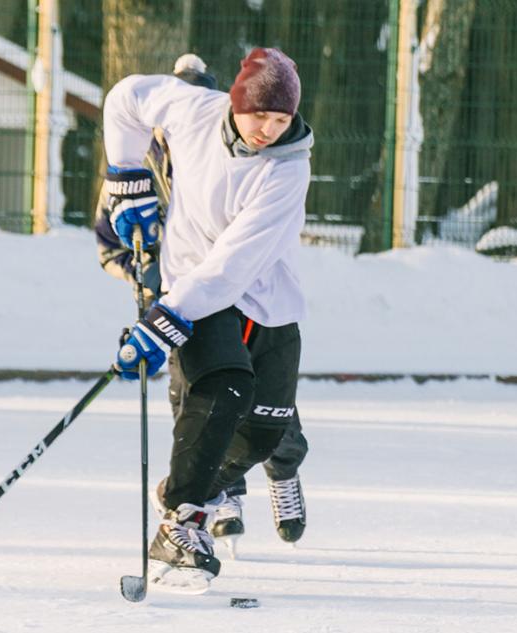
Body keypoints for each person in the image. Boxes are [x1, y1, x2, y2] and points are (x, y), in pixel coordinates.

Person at [97, 47, 312, 592]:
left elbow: (232, 266)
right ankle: (183, 522)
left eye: (280, 119)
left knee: (262, 432)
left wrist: (163, 318)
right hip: (194, 285)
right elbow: (125, 98)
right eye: (258, 115)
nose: (268, 130)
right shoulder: (193, 108)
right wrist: (125, 175)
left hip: (260, 297)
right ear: (235, 104)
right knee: (222, 388)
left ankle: (186, 488)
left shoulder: (287, 170)